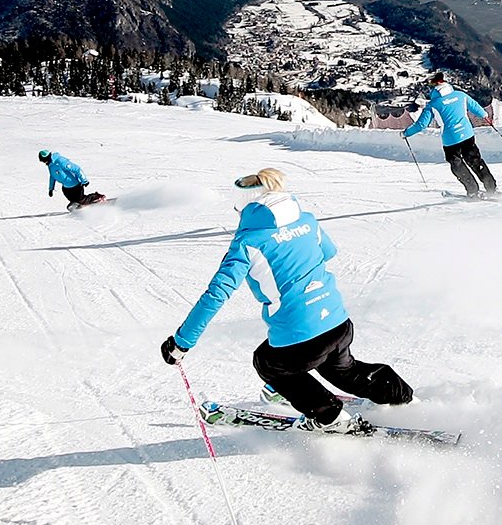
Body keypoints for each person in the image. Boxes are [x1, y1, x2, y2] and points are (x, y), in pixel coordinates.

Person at [159, 168, 413, 432]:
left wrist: (181, 343)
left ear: (244, 205)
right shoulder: (307, 220)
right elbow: (329, 251)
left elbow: (216, 295)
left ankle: (330, 416)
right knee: (343, 370)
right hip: (337, 323)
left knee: (269, 362)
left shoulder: (248, 242)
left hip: (301, 340)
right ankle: (400, 396)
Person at [403, 70, 498, 198]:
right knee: (475, 160)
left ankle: (472, 191)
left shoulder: (432, 105)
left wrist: (406, 133)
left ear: (434, 88)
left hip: (451, 140)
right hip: (467, 135)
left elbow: (421, 125)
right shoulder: (461, 95)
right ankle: (491, 188)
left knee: (457, 165)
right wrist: (486, 117)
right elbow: (476, 108)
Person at [39, 149, 105, 208]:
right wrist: (51, 189)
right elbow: (52, 176)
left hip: (75, 185)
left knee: (81, 199)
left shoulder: (60, 161)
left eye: (44, 161)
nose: (44, 163)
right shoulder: (50, 165)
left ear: (47, 158)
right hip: (66, 187)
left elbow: (76, 169)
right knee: (74, 200)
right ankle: (79, 205)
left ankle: (98, 197)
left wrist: (84, 180)